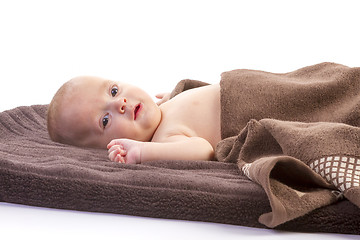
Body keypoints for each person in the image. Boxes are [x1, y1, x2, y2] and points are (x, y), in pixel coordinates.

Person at [47, 76, 221, 164]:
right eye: (105, 120)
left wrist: (174, 97)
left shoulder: (164, 108)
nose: (119, 103)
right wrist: (141, 152)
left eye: (113, 91)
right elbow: (203, 149)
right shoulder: (164, 139)